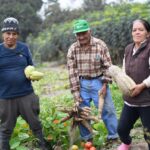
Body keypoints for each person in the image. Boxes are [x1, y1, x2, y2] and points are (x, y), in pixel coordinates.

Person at [0, 17, 49, 150]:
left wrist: (32, 76)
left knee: (35, 124)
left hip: (26, 94)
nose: (11, 36)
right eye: (8, 33)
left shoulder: (24, 48)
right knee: (6, 129)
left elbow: (30, 67)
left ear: (18, 34)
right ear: (3, 34)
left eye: (14, 34)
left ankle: (43, 146)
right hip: (6, 97)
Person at [67, 19, 118, 143]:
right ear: (75, 35)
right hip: (82, 83)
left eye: (84, 33)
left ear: (89, 31)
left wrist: (105, 84)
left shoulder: (100, 45)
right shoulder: (73, 49)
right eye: (78, 34)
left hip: (98, 81)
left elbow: (108, 66)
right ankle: (87, 139)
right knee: (81, 113)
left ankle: (113, 137)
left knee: (108, 109)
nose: (81, 36)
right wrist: (75, 93)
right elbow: (72, 72)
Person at [117, 19, 150, 150]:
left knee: (148, 134)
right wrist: (121, 81)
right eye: (134, 30)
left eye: (141, 30)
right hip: (130, 100)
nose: (137, 32)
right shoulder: (128, 49)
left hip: (147, 101)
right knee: (121, 129)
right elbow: (124, 71)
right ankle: (127, 143)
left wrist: (142, 85)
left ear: (148, 33)